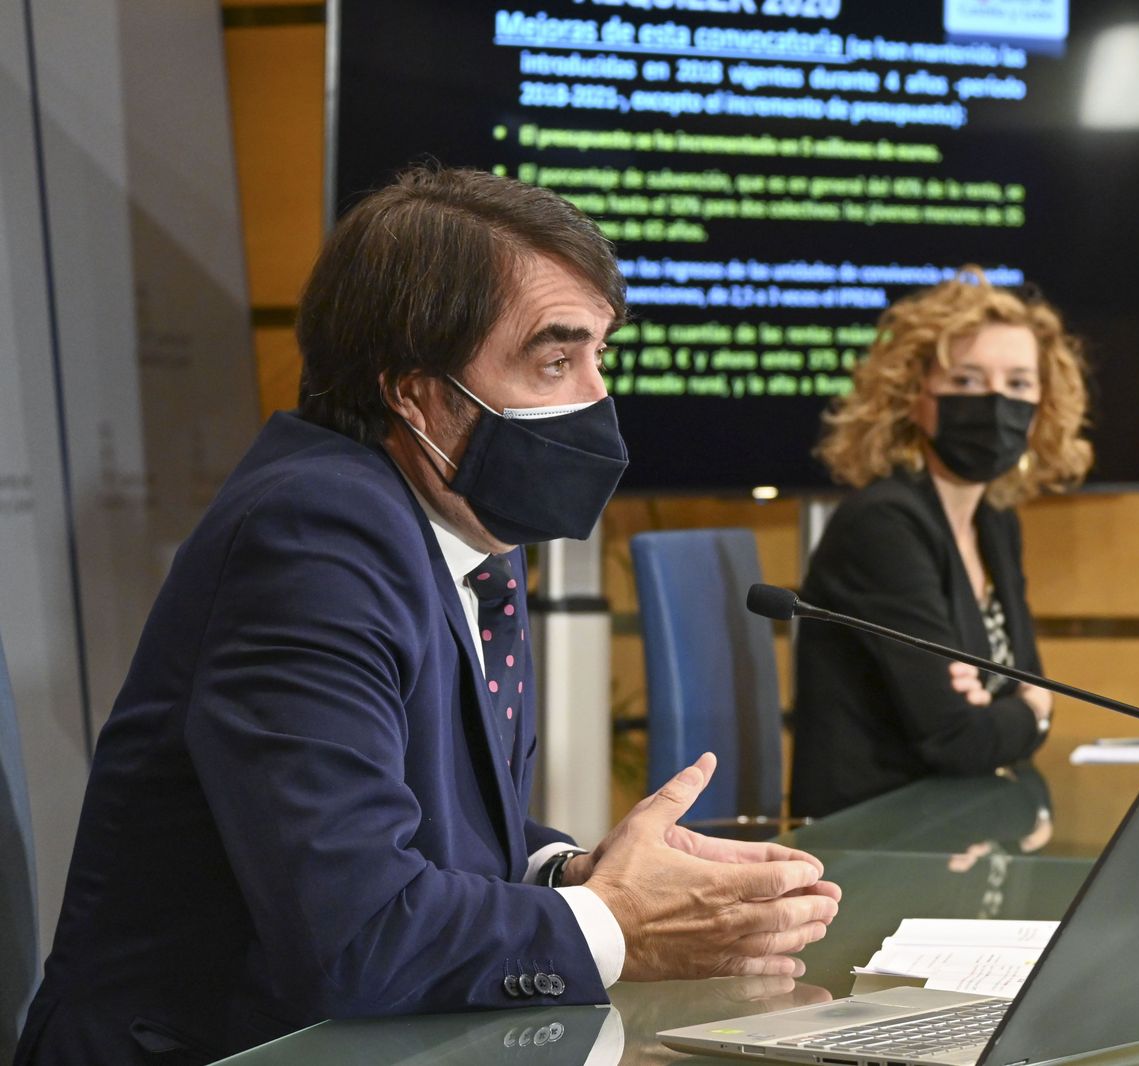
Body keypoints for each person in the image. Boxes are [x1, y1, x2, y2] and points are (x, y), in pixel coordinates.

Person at [14, 167, 839, 1066]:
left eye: (601, 358)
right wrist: (616, 924)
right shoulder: (313, 536)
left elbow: (422, 820)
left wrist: (567, 874)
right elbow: (357, 929)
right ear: (416, 392)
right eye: (555, 361)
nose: (598, 400)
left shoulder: (462, 516)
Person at [789, 269, 1093, 818]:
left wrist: (1008, 705)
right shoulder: (882, 525)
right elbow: (959, 737)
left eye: (1019, 384)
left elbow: (1014, 686)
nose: (997, 402)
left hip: (962, 821)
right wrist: (1031, 710)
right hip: (873, 838)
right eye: (969, 381)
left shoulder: (995, 523)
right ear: (914, 396)